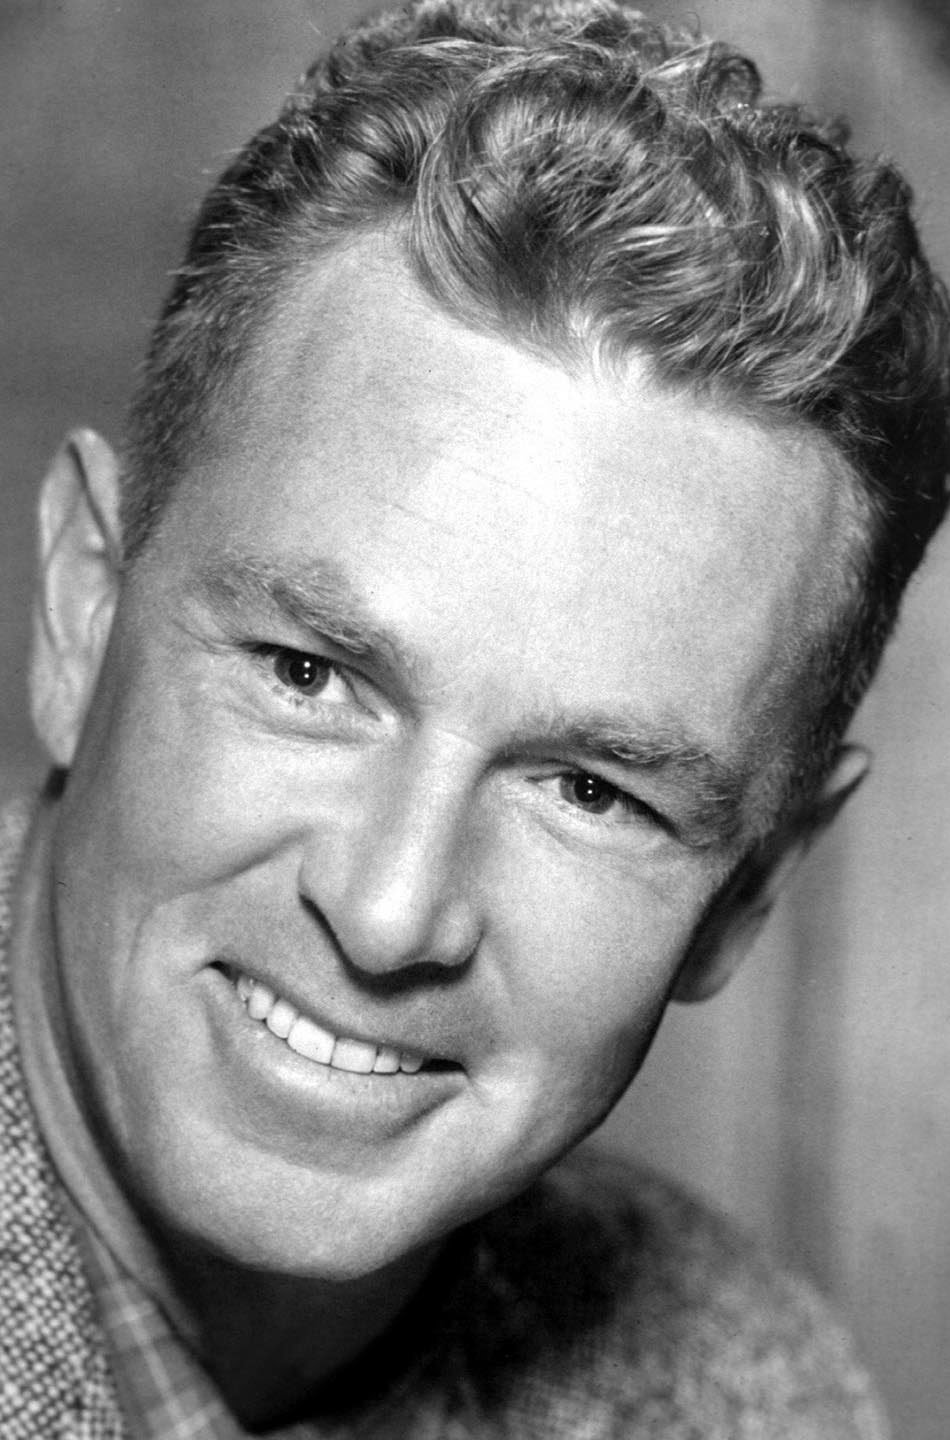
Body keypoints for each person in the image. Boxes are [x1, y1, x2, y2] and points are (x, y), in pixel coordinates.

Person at [2, 0, 946, 1433]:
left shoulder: (754, 1391)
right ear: (83, 607)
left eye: (590, 790)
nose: (390, 914)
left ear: (752, 888)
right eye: (309, 675)